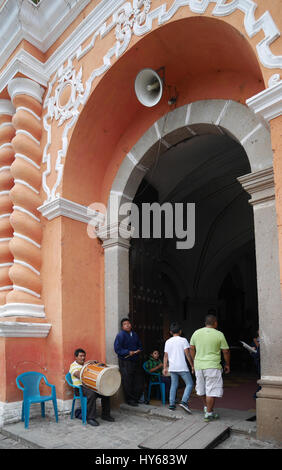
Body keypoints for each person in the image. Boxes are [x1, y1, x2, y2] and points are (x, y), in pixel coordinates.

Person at [189, 314, 230, 422]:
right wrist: (227, 364)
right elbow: (225, 351)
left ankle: (207, 408)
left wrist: (194, 361)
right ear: (215, 323)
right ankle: (209, 413)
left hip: (199, 366)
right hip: (212, 366)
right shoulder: (219, 334)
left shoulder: (196, 333)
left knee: (201, 389)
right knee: (211, 391)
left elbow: (191, 348)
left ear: (205, 323)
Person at [69, 348, 115, 426]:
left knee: (105, 392)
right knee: (91, 394)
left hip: (89, 386)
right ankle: (90, 418)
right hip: (79, 388)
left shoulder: (85, 365)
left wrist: (95, 366)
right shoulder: (73, 366)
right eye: (80, 356)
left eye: (84, 356)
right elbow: (79, 375)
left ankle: (105, 415)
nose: (83, 358)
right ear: (76, 357)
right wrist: (86, 365)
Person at [163, 322, 194, 413]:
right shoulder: (183, 340)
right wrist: (192, 365)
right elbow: (187, 354)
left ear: (170, 332)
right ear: (180, 331)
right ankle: (184, 402)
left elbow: (165, 356)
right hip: (182, 367)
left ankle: (172, 405)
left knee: (174, 385)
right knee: (190, 383)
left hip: (172, 367)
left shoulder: (168, 341)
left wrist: (165, 367)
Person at [114, 318, 144, 406]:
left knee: (136, 379)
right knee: (127, 380)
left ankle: (136, 398)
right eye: (125, 324)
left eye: (128, 323)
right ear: (122, 327)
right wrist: (127, 352)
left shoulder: (134, 334)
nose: (127, 325)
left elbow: (140, 346)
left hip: (135, 360)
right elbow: (117, 349)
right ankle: (129, 400)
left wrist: (139, 350)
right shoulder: (120, 335)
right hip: (125, 361)